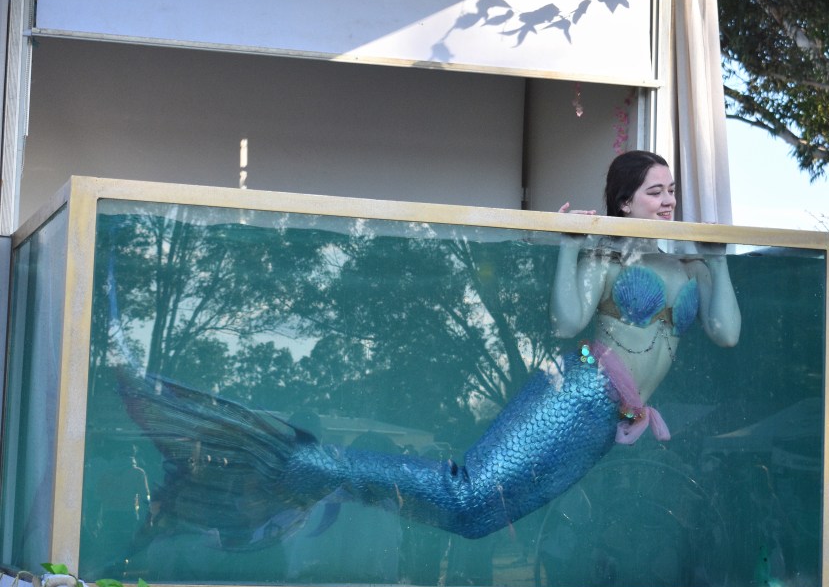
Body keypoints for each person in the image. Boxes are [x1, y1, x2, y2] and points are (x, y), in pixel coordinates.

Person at [117, 150, 741, 546]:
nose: (669, 201)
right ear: (626, 202)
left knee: (475, 519)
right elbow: (566, 321)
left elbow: (726, 331)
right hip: (579, 390)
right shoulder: (610, 257)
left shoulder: (688, 266)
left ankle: (317, 473)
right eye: (656, 191)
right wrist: (571, 247)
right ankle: (310, 464)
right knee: (467, 494)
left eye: (672, 191)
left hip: (611, 420)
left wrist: (717, 261)